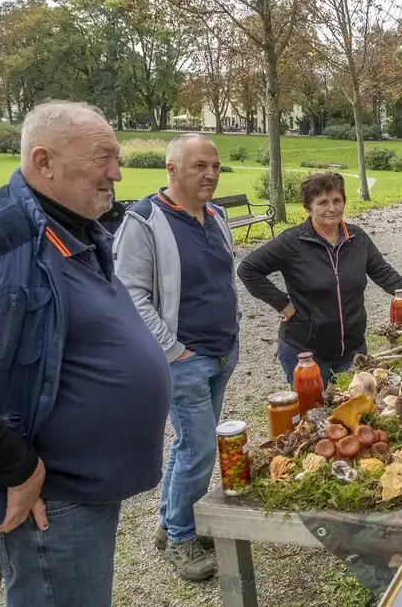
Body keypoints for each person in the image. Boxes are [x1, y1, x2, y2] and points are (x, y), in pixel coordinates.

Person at [0, 101, 171, 605]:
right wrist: (18, 469)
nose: (117, 173)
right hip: (50, 502)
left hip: (86, 492)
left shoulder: (74, 225)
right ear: (44, 162)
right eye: (102, 158)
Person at [113, 134, 238, 580]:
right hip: (185, 359)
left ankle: (170, 524)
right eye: (199, 166)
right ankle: (183, 538)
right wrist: (174, 349)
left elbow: (220, 278)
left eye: (216, 166)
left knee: (191, 445)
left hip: (223, 352)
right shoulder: (144, 221)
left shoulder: (216, 215)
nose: (210, 174)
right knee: (201, 446)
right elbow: (130, 295)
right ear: (171, 168)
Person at [238, 172, 402, 384]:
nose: (332, 208)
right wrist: (282, 303)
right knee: (313, 413)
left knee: (356, 409)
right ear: (308, 208)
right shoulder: (293, 242)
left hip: (353, 349)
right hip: (306, 354)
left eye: (337, 200)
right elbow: (248, 269)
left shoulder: (357, 238)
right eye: (322, 202)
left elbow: (384, 273)